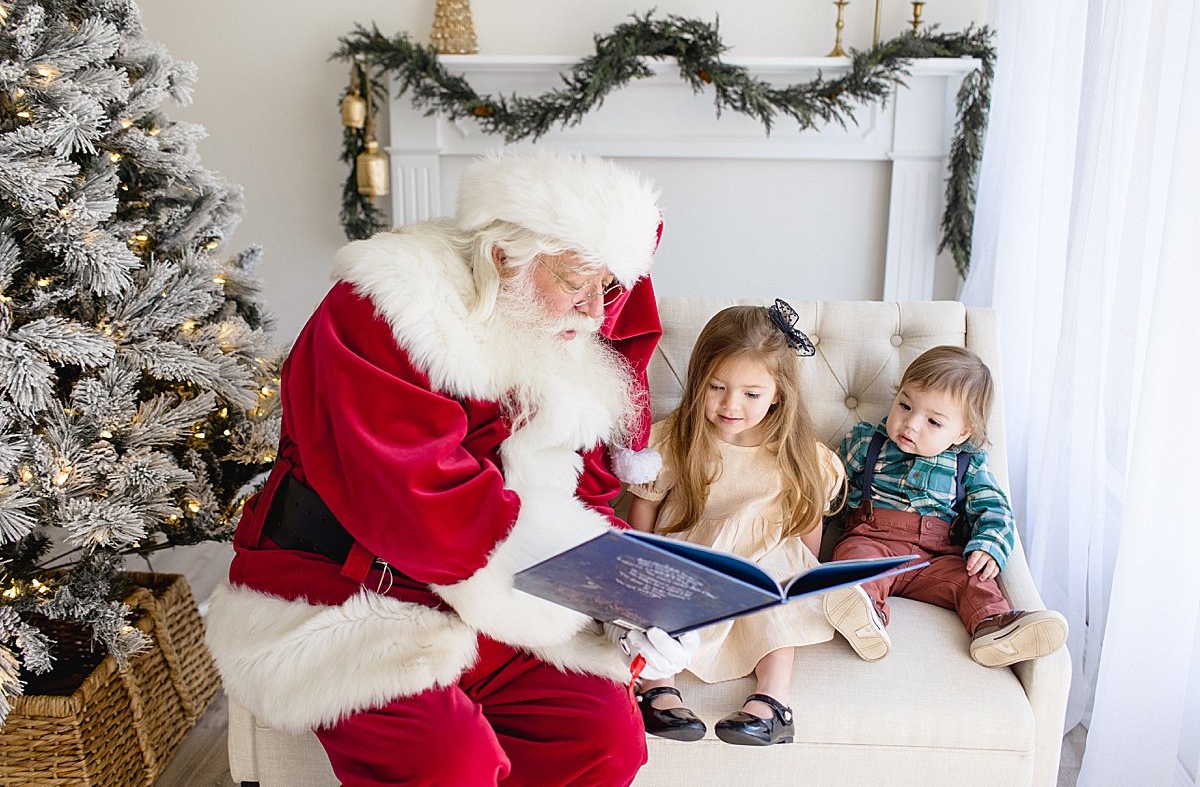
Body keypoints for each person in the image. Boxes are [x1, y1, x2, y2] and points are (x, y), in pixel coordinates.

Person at [203, 152, 700, 787]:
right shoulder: (388, 310)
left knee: (600, 735)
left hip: (501, 606)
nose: (593, 311)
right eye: (575, 281)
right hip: (351, 597)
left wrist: (625, 612)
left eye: (607, 288)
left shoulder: (572, 342)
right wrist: (587, 594)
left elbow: (591, 496)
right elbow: (428, 506)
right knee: (448, 762)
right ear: (503, 256)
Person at [626, 300, 846, 746]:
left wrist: (807, 573)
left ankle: (772, 701)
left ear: (778, 394)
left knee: (778, 604)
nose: (731, 405)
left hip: (761, 565)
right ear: (699, 380)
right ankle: (656, 688)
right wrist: (641, 561)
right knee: (663, 613)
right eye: (717, 387)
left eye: (751, 394)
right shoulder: (678, 438)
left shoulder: (796, 451)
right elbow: (645, 504)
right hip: (694, 556)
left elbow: (807, 521)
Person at [822, 345, 1068, 667]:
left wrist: (989, 546)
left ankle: (993, 628)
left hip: (936, 561)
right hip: (873, 541)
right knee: (854, 562)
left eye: (933, 422)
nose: (910, 424)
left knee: (974, 580)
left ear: (961, 432)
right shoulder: (866, 443)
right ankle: (864, 616)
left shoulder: (968, 465)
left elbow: (995, 510)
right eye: (905, 405)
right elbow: (828, 489)